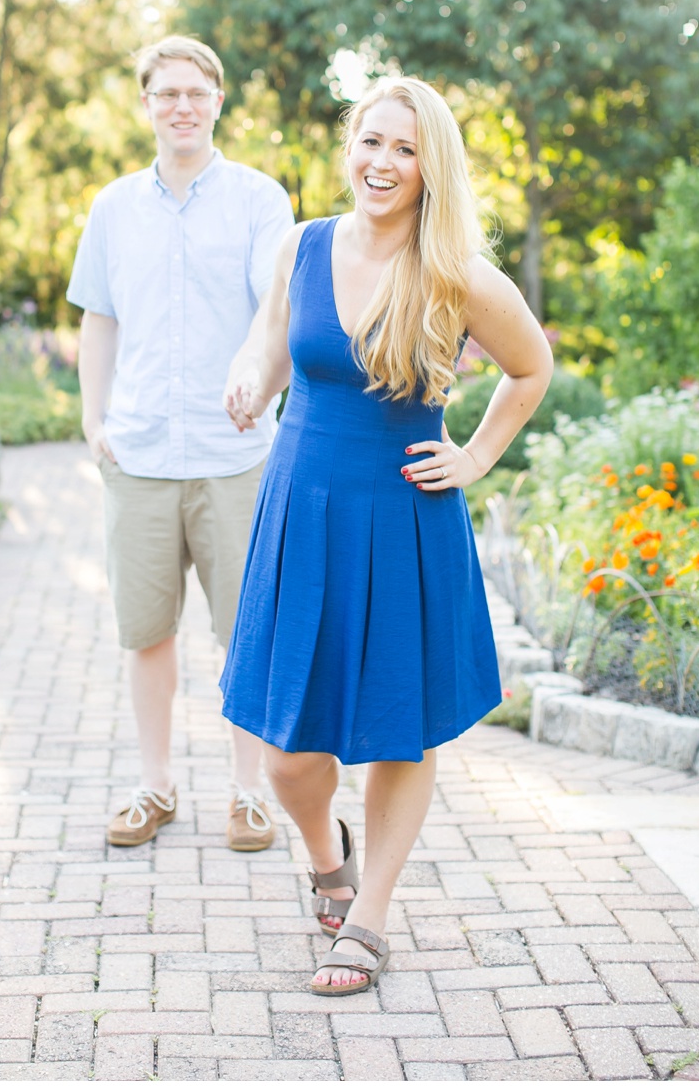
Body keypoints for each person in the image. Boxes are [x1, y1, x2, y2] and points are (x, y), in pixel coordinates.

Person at [219, 73, 552, 996]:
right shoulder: (303, 246)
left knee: (398, 733)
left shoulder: (455, 273)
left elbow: (531, 369)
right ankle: (328, 857)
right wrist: (250, 377)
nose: (383, 162)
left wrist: (477, 457)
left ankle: (367, 918)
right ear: (349, 147)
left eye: (405, 148)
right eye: (372, 141)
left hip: (405, 514)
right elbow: (270, 339)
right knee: (288, 751)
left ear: (429, 164)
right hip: (301, 506)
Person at [68, 35, 294, 853]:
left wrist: (256, 384)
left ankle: (250, 794)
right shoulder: (113, 207)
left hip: (235, 458)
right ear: (146, 104)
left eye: (196, 91)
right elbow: (100, 317)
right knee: (146, 633)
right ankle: (155, 785)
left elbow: (279, 317)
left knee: (247, 636)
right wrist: (95, 421)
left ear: (219, 100)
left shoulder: (259, 200)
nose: (182, 106)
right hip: (140, 460)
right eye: (166, 93)